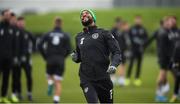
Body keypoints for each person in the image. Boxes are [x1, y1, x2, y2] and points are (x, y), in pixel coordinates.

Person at [71, 9, 121, 103]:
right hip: (87, 79)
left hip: (104, 78)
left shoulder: (104, 33)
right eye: (82, 14)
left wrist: (114, 64)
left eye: (87, 13)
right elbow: (79, 57)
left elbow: (116, 52)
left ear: (93, 17)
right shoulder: (78, 37)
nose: (84, 15)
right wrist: (76, 57)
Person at [38, 17, 71, 103]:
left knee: (49, 76)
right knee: (58, 81)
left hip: (50, 59)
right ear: (61, 24)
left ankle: (49, 82)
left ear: (54, 23)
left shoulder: (48, 34)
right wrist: (64, 57)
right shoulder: (65, 35)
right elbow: (69, 49)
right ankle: (56, 99)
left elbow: (39, 45)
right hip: (60, 60)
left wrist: (44, 56)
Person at [0, 9, 18, 103]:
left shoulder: (12, 28)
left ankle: (3, 96)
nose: (8, 16)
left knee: (6, 78)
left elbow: (14, 44)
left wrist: (14, 56)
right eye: (6, 14)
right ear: (2, 16)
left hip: (9, 58)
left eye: (9, 15)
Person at [125, 15, 148, 86]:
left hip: (140, 50)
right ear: (135, 20)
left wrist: (143, 45)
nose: (138, 21)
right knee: (131, 63)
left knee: (139, 64)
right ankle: (127, 78)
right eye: (136, 19)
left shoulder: (143, 29)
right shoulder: (132, 29)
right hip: (133, 49)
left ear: (141, 20)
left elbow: (146, 39)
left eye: (139, 19)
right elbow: (128, 38)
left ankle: (137, 78)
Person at [16, 16, 34, 101]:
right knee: (17, 77)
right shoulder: (14, 32)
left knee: (29, 76)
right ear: (17, 23)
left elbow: (34, 41)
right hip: (17, 59)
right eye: (19, 22)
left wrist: (31, 52)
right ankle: (19, 93)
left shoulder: (27, 33)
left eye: (22, 22)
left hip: (27, 59)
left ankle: (29, 93)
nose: (21, 23)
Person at [110, 18, 128, 86]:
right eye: (119, 23)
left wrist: (126, 49)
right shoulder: (112, 31)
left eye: (121, 23)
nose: (120, 24)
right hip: (114, 51)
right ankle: (112, 79)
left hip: (122, 50)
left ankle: (121, 80)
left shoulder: (122, 31)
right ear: (116, 23)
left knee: (123, 64)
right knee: (114, 64)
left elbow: (125, 41)